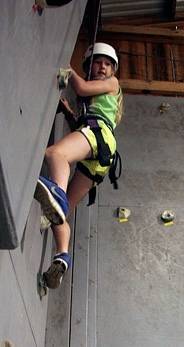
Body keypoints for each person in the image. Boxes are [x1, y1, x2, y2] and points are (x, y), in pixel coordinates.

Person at [34, 42, 123, 290]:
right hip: (102, 157)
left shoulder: (113, 84)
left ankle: (56, 194)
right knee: (59, 215)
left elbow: (81, 86)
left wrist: (66, 66)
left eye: (107, 64)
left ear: (113, 71)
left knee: (55, 154)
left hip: (99, 135)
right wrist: (70, 115)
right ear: (90, 65)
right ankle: (62, 255)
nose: (103, 67)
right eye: (98, 62)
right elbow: (81, 134)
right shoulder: (99, 99)